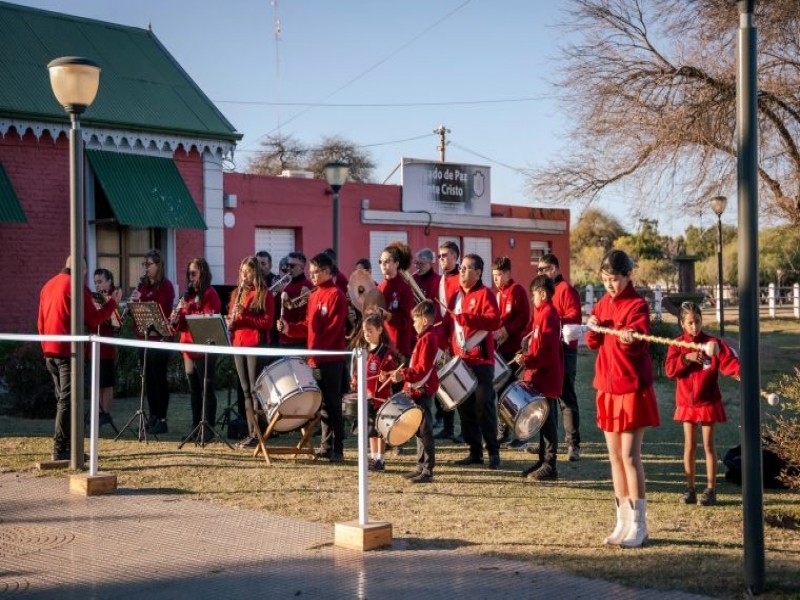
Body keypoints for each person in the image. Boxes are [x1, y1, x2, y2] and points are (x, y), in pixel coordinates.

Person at [585, 249, 659, 548]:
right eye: (605, 279)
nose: (609, 284)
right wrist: (591, 327)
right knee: (614, 457)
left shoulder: (638, 305)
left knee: (629, 456)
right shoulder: (603, 302)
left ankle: (640, 525)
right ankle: (622, 521)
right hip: (607, 387)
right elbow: (593, 342)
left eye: (614, 279)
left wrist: (629, 337)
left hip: (630, 389)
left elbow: (638, 343)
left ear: (628, 276)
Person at [38, 256, 122, 460]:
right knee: (68, 401)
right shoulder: (75, 286)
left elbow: (40, 322)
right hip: (67, 351)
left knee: (63, 400)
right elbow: (94, 319)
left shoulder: (48, 285)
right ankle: (60, 449)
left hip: (49, 350)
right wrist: (113, 303)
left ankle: (68, 446)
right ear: (82, 270)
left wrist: (45, 347)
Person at [665, 301, 740, 506]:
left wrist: (740, 372)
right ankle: (690, 489)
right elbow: (670, 370)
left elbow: (728, 361)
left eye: (697, 321)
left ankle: (710, 489)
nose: (694, 326)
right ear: (682, 323)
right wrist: (686, 358)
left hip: (707, 401)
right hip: (687, 403)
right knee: (689, 445)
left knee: (708, 445)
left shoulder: (712, 343)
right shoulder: (677, 345)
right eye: (690, 323)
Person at [278, 252, 348, 462]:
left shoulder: (336, 295)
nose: (312, 276)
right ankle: (326, 445)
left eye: (316, 272)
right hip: (316, 358)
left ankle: (338, 447)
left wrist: (316, 351)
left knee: (334, 403)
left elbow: (333, 329)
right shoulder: (315, 295)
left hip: (331, 359)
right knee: (322, 405)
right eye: (311, 272)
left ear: (327, 271)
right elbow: (309, 326)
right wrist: (289, 328)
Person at [443, 253, 502, 469]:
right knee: (465, 409)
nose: (462, 271)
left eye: (467, 268)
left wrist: (467, 318)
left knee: (484, 407)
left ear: (478, 272)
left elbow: (494, 321)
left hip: (481, 361)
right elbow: (447, 325)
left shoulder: (485, 294)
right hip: (461, 361)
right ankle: (474, 452)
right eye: (461, 268)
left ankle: (493, 451)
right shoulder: (455, 297)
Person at [515, 275, 563, 480]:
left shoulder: (549, 315)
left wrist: (527, 360)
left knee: (548, 422)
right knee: (542, 421)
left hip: (547, 377)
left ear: (542, 294)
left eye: (534, 294)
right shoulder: (541, 313)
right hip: (539, 376)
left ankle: (550, 465)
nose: (532, 298)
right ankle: (542, 460)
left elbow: (546, 352)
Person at [538, 253, 584, 461]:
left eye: (543, 269)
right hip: (550, 350)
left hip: (565, 350)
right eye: (538, 270)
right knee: (548, 398)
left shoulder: (566, 290)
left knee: (566, 399)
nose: (539, 273)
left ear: (554, 269)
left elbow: (574, 318)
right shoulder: (545, 292)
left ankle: (573, 445)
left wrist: (552, 319)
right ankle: (550, 445)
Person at [173, 258, 222, 441]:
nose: (190, 277)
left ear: (203, 273)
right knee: (194, 390)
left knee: (206, 388)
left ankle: (208, 429)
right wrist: (176, 318)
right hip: (187, 347)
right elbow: (182, 325)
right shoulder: (187, 295)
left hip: (204, 347)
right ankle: (195, 427)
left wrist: (189, 308)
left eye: (193, 273)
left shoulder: (210, 293)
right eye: (189, 273)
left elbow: (208, 319)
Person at [228, 257, 274, 449]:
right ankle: (250, 432)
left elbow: (267, 324)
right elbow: (234, 323)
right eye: (242, 271)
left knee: (256, 391)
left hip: (256, 345)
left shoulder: (265, 295)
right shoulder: (236, 293)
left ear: (255, 272)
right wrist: (231, 320)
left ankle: (259, 433)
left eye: (247, 271)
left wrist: (245, 314)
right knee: (246, 391)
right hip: (238, 344)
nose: (243, 275)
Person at [392, 300, 439, 483]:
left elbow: (422, 369)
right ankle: (420, 465)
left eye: (415, 320)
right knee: (419, 430)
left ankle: (427, 469)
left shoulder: (428, 339)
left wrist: (403, 375)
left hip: (423, 390)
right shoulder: (424, 338)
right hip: (418, 390)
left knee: (425, 431)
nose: (413, 324)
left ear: (425, 320)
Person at [129, 249, 175, 434]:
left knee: (159, 379)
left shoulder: (166, 286)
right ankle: (153, 416)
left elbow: (161, 309)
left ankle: (162, 419)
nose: (146, 268)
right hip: (144, 338)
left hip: (160, 339)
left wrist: (143, 300)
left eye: (149, 264)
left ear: (158, 265)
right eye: (145, 264)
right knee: (148, 379)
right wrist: (134, 305)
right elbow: (138, 313)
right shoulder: (143, 286)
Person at [350, 312, 401, 471]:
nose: (367, 334)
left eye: (370, 331)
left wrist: (385, 377)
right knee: (370, 429)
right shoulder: (363, 351)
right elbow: (358, 371)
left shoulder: (385, 352)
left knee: (380, 430)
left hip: (380, 398)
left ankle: (381, 459)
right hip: (366, 397)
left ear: (379, 330)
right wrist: (355, 380)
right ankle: (373, 457)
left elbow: (392, 373)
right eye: (365, 331)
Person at [492, 256, 531, 447]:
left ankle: (521, 435)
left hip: (515, 351)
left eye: (499, 275)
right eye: (494, 275)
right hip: (501, 352)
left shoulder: (517, 291)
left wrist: (506, 330)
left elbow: (524, 318)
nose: (496, 279)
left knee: (516, 394)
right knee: (501, 392)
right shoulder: (497, 295)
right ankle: (503, 432)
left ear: (508, 273)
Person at [434, 240, 462, 442]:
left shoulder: (462, 278)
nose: (441, 259)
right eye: (439, 256)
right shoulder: (442, 279)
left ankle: (467, 430)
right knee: (445, 384)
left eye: (444, 255)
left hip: (458, 339)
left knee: (461, 386)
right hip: (444, 339)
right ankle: (448, 427)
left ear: (455, 256)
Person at [377, 242, 416, 363]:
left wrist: (388, 316)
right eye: (380, 261)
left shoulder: (405, 289)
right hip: (383, 347)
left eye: (387, 261)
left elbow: (406, 321)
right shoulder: (379, 288)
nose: (383, 264)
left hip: (399, 348)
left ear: (396, 264)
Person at [92, 268, 121, 428]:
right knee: (96, 381)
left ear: (109, 282)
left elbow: (116, 321)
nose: (97, 285)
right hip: (94, 344)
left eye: (100, 281)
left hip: (106, 345)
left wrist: (108, 304)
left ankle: (106, 413)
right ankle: (97, 412)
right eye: (95, 282)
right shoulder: (94, 298)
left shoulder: (113, 297)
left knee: (107, 381)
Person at [278, 252, 312, 350]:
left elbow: (303, 313)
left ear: (301, 267)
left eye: (292, 266)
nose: (288, 268)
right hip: (284, 337)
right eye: (287, 265)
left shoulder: (306, 286)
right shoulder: (287, 285)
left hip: (298, 340)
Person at [412, 248, 441, 318]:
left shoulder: (438, 280)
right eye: (416, 263)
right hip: (415, 317)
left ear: (430, 263)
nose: (417, 266)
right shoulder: (413, 278)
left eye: (421, 263)